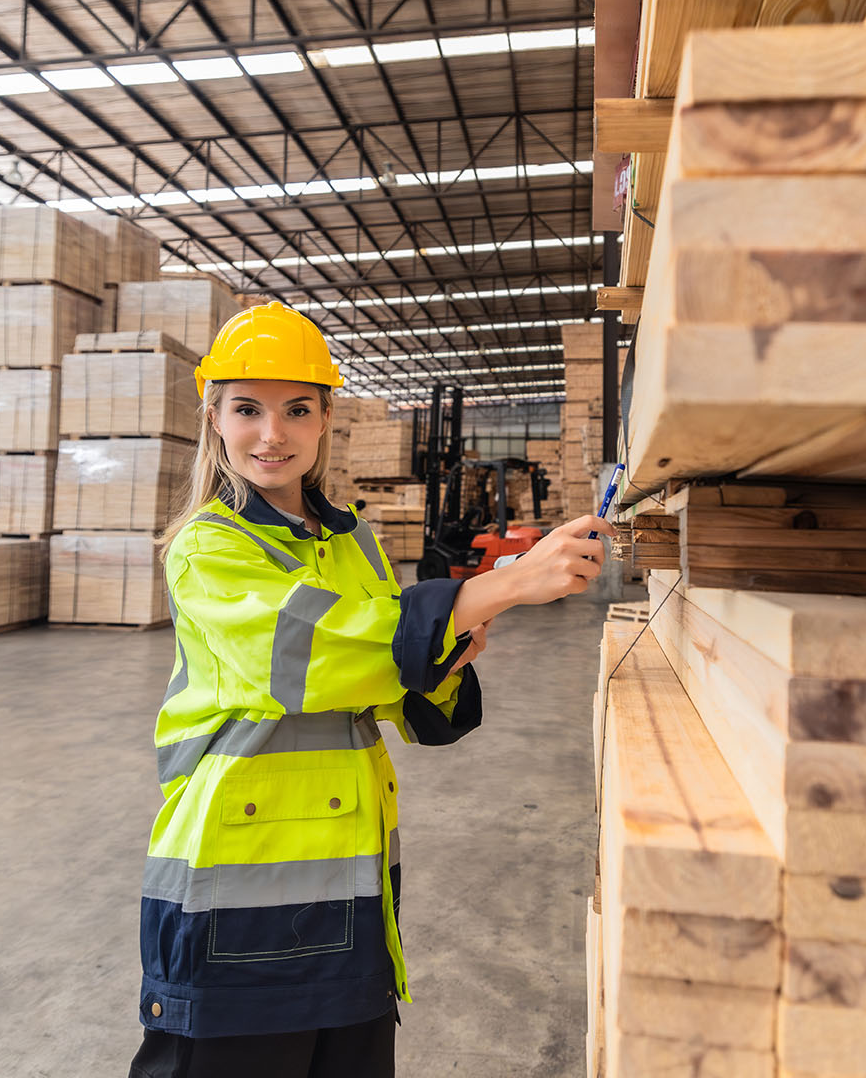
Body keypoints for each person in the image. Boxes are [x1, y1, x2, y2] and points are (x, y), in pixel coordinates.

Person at [129, 302, 610, 1078]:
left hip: (350, 880)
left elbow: (394, 690)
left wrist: (449, 649)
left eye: (297, 409)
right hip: (234, 886)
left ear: (325, 419)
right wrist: (499, 586)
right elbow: (310, 652)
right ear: (214, 417)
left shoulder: (351, 538)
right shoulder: (206, 548)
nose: (271, 433)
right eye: (247, 409)